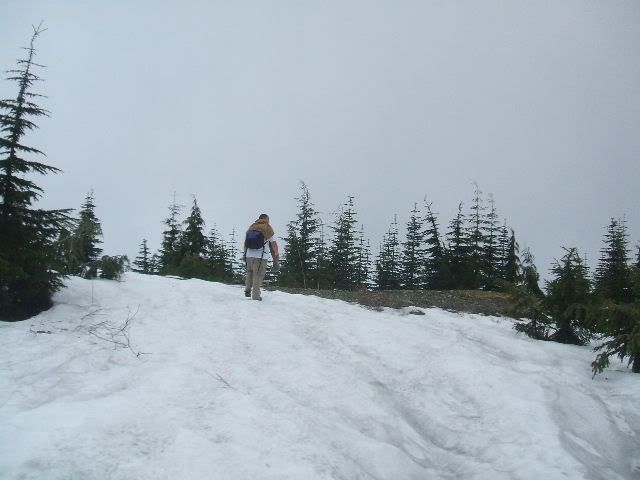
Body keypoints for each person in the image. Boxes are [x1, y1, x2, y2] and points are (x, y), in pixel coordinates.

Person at [243, 213, 280, 301]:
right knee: (258, 275)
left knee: (249, 272)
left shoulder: (252, 226)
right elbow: (273, 243)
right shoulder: (267, 227)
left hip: (249, 254)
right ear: (266, 219)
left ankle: (247, 290)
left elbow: (245, 242)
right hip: (261, 255)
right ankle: (255, 296)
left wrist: (244, 253)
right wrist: (276, 254)